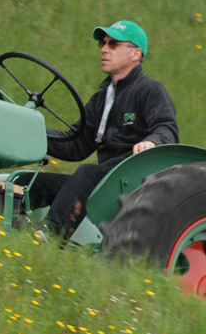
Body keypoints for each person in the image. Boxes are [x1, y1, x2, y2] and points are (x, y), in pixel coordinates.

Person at [27, 20, 179, 238]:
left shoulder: (150, 90)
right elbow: (76, 145)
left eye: (113, 43)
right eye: (103, 43)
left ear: (135, 53)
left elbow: (167, 129)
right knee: (29, 182)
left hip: (134, 179)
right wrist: (32, 133)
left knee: (87, 173)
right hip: (106, 180)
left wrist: (152, 142)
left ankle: (49, 234)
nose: (104, 49)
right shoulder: (101, 98)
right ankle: (3, 226)